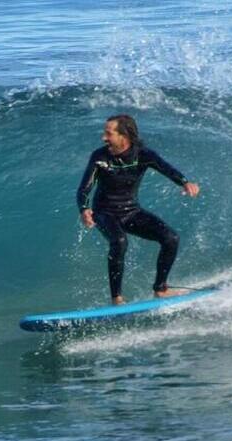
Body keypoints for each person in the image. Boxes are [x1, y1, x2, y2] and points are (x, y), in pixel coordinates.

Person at [77, 114, 200, 305]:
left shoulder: (143, 155)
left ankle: (160, 289)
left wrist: (184, 182)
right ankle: (117, 299)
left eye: (108, 133)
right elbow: (85, 188)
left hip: (131, 211)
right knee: (119, 241)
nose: (104, 138)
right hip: (104, 213)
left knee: (171, 238)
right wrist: (84, 209)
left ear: (123, 136)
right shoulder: (99, 156)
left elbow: (166, 168)